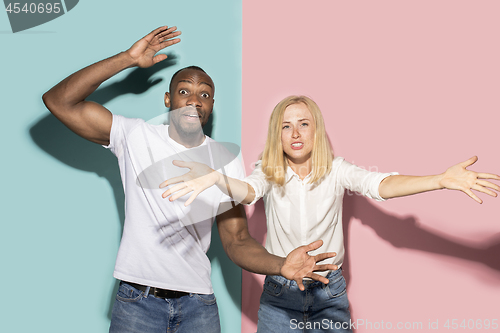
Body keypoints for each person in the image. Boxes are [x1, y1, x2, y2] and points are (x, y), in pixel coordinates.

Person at [42, 28, 338, 333]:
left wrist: (281, 266)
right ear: (168, 99)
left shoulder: (225, 159)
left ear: (211, 106)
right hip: (137, 302)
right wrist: (127, 59)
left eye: (205, 94)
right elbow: (59, 101)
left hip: (199, 307)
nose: (195, 100)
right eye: (184, 91)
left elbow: (236, 241)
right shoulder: (135, 136)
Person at [161, 95, 500, 332]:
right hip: (280, 293)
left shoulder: (337, 170)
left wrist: (439, 180)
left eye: (303, 124)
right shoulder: (268, 170)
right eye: (286, 126)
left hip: (329, 292)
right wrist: (217, 179)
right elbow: (249, 192)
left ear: (316, 130)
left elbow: (380, 184)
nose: (295, 133)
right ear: (276, 135)